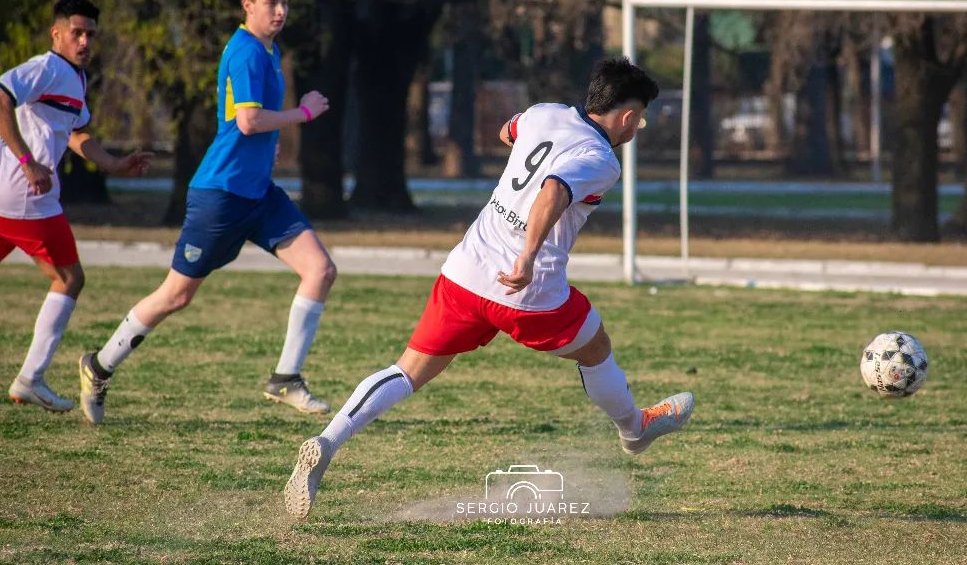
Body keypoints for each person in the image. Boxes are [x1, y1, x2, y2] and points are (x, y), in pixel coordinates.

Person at [283, 57, 695, 519]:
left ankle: (327, 440)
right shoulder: (601, 160)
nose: (638, 126)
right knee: (596, 347)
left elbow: (508, 132)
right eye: (639, 116)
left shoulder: (543, 113)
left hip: (465, 273)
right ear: (624, 115)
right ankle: (634, 429)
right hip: (528, 293)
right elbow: (554, 190)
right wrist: (527, 255)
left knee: (408, 369)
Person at [78, 0, 336, 424]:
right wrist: (304, 113)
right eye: (271, 2)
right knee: (176, 295)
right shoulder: (247, 53)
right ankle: (98, 366)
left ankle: (286, 378)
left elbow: (247, 126)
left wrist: (265, 153)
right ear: (247, 5)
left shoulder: (267, 51)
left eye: (285, 2)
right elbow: (248, 121)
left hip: (257, 193)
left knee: (320, 270)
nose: (280, 10)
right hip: (220, 196)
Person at [0, 0, 154, 412]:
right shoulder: (47, 67)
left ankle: (30, 379)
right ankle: (30, 378)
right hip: (27, 197)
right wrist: (28, 163)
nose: (84, 41)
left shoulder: (74, 80)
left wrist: (114, 163)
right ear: (55, 34)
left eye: (90, 34)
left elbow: (76, 135)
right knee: (69, 278)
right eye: (76, 32)